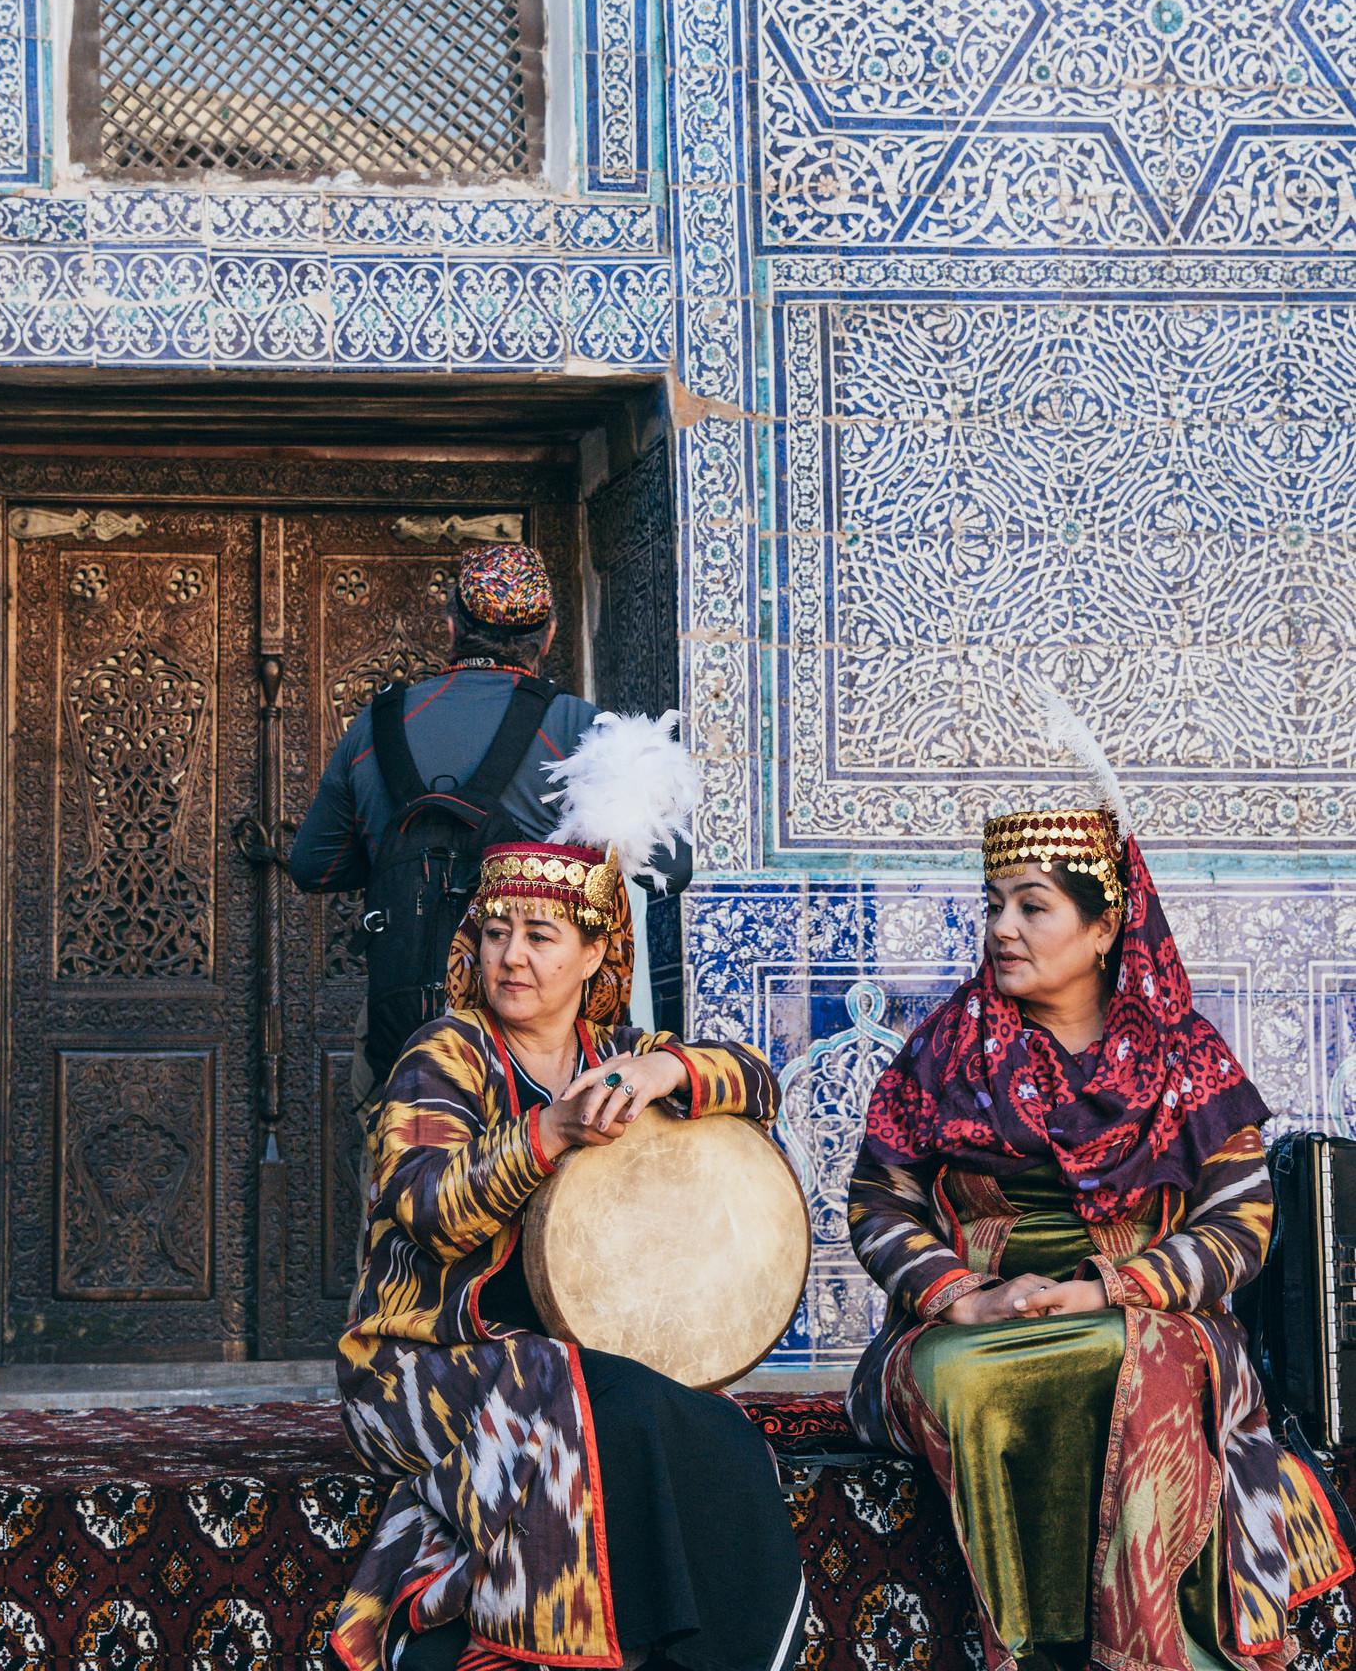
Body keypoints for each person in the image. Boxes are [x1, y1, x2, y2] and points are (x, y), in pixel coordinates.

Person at [848, 714, 1352, 1671]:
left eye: (1030, 906)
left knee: (1150, 1361)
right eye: (992, 903)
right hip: (965, 1327)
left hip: (1134, 1311)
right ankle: (1029, 1650)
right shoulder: (942, 1052)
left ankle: (1143, 1654)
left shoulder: (1183, 1057)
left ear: (1105, 924)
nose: (1000, 927)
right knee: (974, 1375)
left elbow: (1242, 1222)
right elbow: (877, 1201)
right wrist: (962, 1294)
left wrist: (1109, 1291)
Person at [330, 717, 807, 1671]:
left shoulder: (613, 1059)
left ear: (594, 954)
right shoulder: (444, 1056)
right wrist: (545, 1135)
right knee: (578, 1401)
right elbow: (424, 1209)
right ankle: (530, 1647)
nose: (513, 957)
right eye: (497, 931)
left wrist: (671, 1072)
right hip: (420, 1363)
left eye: (542, 936)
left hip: (572, 1358)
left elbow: (758, 1078)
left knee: (710, 1425)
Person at [289, 541, 691, 1126]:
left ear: (451, 626)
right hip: (548, 1058)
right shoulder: (583, 730)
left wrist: (395, 841)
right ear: (548, 636)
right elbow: (669, 871)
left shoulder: (374, 727)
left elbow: (314, 866)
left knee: (409, 1199)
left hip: (403, 1035)